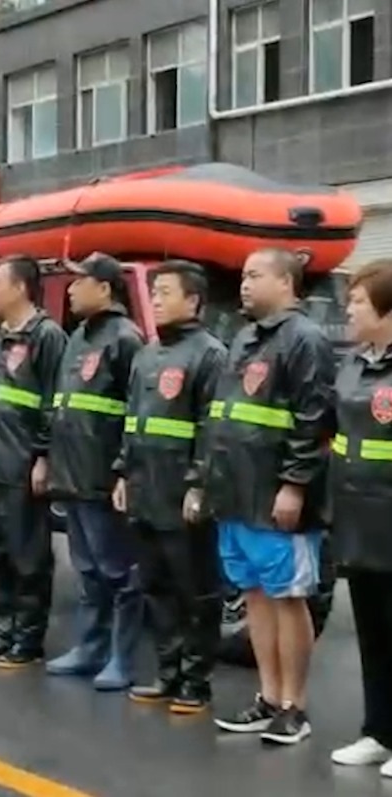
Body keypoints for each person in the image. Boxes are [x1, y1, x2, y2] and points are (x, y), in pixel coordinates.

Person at [206, 248, 333, 744]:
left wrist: (294, 485)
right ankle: (268, 697)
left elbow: (313, 419)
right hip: (237, 494)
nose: (244, 284)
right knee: (256, 597)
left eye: (254, 275)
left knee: (288, 598)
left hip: (277, 496)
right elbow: (224, 416)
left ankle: (295, 707)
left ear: (286, 282)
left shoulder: (305, 339)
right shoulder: (244, 338)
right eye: (242, 275)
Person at [114, 260, 225, 714]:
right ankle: (167, 671)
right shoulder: (147, 354)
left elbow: (211, 428)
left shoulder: (210, 354)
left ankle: (195, 681)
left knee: (193, 588)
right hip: (144, 488)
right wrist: (122, 471)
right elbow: (132, 420)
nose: (155, 299)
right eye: (153, 292)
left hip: (183, 493)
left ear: (193, 300)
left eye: (165, 292)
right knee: (155, 586)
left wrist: (199, 485)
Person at [44, 253, 145, 691]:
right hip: (73, 473)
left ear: (105, 288)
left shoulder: (126, 339)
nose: (69, 289)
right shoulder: (78, 337)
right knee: (86, 568)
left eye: (79, 281)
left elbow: (136, 411)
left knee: (118, 571)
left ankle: (122, 656)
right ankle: (90, 646)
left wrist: (124, 471)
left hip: (105, 476)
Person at [0, 256, 66, 667]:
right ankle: (5, 628)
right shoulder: (2, 336)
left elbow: (51, 405)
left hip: (21, 462)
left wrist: (42, 457)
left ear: (21, 288)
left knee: (27, 552)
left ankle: (28, 636)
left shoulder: (47, 336)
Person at [328, 259, 392, 775]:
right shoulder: (352, 364)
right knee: (373, 634)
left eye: (358, 303)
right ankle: (378, 731)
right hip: (356, 518)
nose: (347, 310)